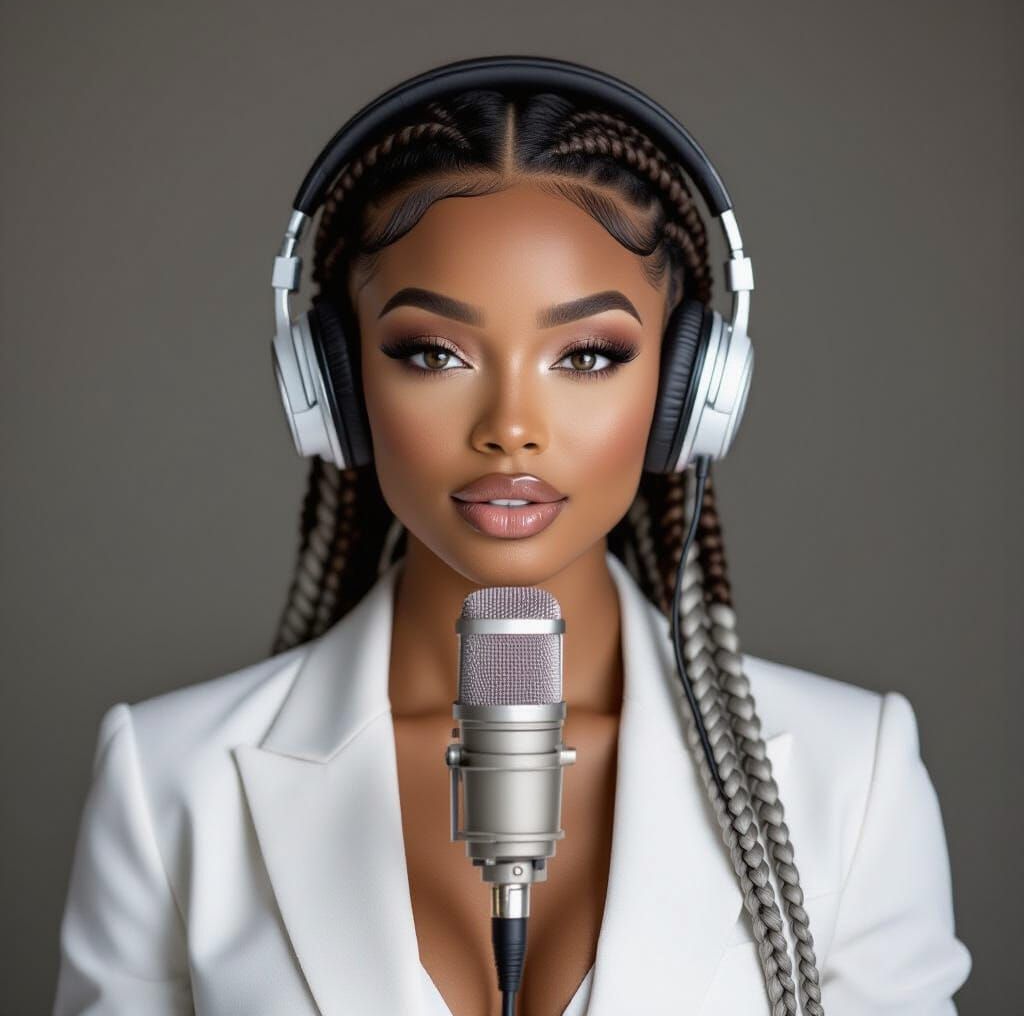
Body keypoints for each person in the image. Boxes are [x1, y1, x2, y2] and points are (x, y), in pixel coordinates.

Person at [53, 66, 972, 1016]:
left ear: (688, 390)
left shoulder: (851, 779)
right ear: (331, 383)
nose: (511, 426)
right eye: (433, 352)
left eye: (587, 355)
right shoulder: (166, 785)